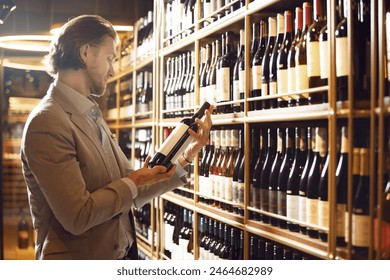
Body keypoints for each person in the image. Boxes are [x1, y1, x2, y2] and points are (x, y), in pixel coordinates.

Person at [20, 15, 213, 260]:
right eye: (110, 58)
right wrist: (133, 181)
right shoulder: (47, 122)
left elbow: (135, 188)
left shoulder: (91, 114)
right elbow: (78, 217)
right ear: (85, 53)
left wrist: (187, 154)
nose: (112, 70)